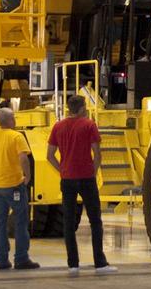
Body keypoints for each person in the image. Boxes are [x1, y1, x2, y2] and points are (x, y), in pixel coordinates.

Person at [47, 95, 118, 276]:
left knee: (69, 222)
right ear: (81, 108)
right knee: (95, 221)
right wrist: (93, 171)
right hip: (86, 177)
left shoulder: (58, 126)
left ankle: (73, 264)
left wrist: (62, 169)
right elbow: (97, 152)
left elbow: (50, 155)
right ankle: (100, 263)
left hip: (67, 178)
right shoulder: (88, 125)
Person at [0, 108, 40, 271]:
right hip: (14, 185)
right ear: (10, 121)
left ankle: (2, 259)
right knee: (21, 222)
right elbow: (23, 158)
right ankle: (21, 258)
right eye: (13, 118)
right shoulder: (16, 137)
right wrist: (27, 177)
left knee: (0, 224)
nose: (15, 120)